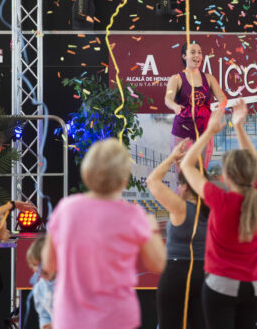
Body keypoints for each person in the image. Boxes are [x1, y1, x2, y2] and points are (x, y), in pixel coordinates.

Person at [42, 138, 166, 329]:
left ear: (87, 171)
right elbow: (158, 264)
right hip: (117, 318)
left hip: (70, 319)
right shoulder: (133, 216)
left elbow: (48, 265)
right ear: (124, 178)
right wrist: (152, 228)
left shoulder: (65, 209)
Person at [181, 101, 257, 329]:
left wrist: (209, 131)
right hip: (256, 287)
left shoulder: (219, 199)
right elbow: (253, 162)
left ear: (226, 177)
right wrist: (238, 127)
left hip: (222, 286)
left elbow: (187, 165)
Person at [146, 140, 209, 329]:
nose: (177, 189)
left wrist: (172, 157)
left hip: (177, 274)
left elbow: (152, 181)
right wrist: (187, 168)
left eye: (179, 185)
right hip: (205, 274)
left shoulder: (180, 207)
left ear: (186, 187)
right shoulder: (213, 207)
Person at [165, 41, 226, 169]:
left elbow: (222, 97)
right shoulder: (176, 79)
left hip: (205, 133)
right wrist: (175, 106)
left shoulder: (209, 79)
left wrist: (220, 108)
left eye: (199, 53)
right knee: (182, 174)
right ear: (184, 56)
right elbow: (168, 99)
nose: (197, 56)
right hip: (182, 132)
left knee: (201, 173)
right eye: (192, 52)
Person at [26, 237, 54, 329]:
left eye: (43, 263)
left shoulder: (67, 284)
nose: (39, 269)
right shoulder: (39, 288)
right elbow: (44, 315)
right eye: (35, 264)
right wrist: (45, 325)